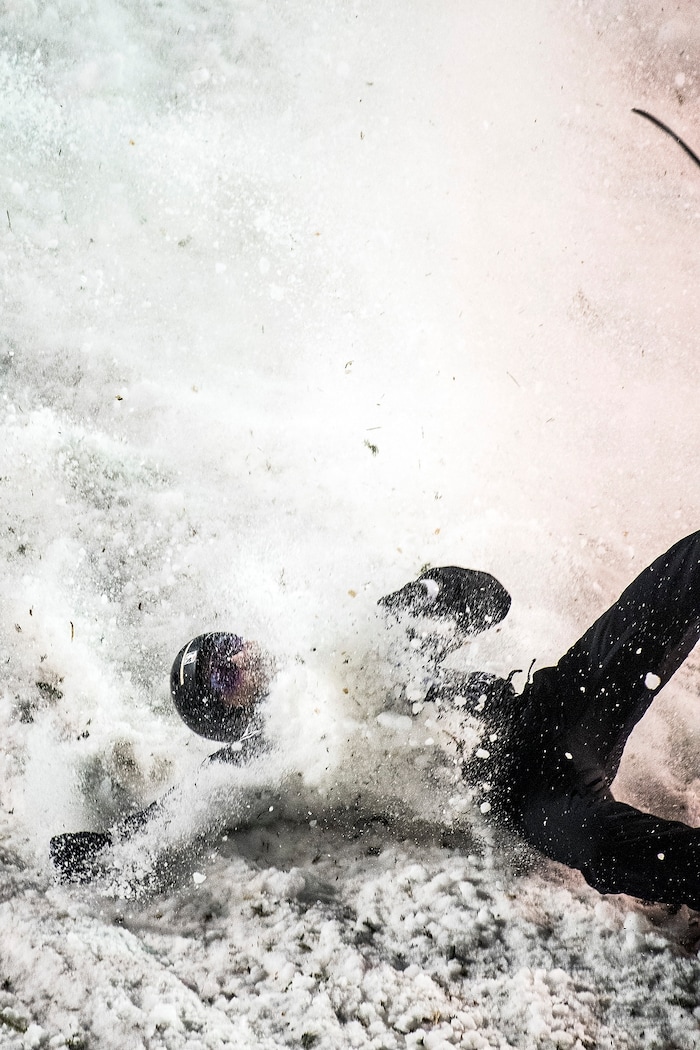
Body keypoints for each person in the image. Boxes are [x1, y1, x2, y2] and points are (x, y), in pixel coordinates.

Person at [51, 532, 700, 911]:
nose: (239, 661)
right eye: (222, 678)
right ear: (228, 719)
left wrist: (421, 599)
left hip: (552, 711)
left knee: (679, 578)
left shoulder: (353, 647)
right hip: (530, 796)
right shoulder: (260, 758)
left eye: (228, 647)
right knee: (599, 847)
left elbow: (491, 598)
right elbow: (181, 809)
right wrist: (107, 852)